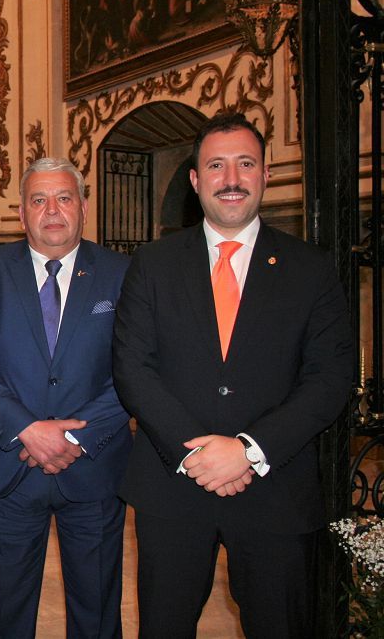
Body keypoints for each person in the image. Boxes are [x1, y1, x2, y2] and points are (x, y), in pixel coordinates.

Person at [113, 112, 354, 637]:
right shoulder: (152, 263)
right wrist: (195, 453)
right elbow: (133, 368)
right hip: (173, 488)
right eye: (216, 165)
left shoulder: (310, 268)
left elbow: (330, 378)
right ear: (196, 180)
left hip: (276, 492)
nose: (231, 178)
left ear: (266, 174)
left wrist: (248, 449)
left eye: (245, 164)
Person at [0, 157, 132, 638]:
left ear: (84, 207)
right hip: (11, 468)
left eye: (64, 198)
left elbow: (135, 369)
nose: (51, 210)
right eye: (38, 199)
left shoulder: (121, 273)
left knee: (97, 612)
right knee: (9, 612)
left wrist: (79, 437)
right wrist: (29, 431)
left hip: (92, 468)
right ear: (21, 211)